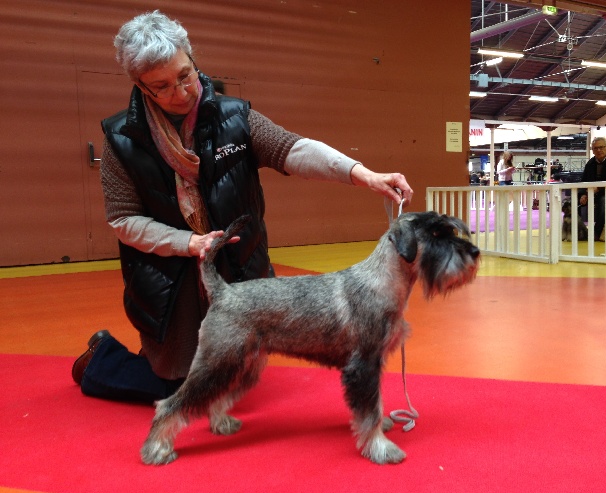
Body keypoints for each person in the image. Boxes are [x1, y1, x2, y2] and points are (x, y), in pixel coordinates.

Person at [71, 10, 413, 403]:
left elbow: (294, 149)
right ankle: (101, 359)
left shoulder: (235, 117)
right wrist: (189, 243)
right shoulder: (120, 138)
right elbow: (123, 219)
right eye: (161, 87)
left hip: (240, 269)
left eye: (185, 75)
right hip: (168, 280)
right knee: (182, 387)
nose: (180, 92)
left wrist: (363, 174)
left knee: (231, 380)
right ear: (141, 87)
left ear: (192, 57)